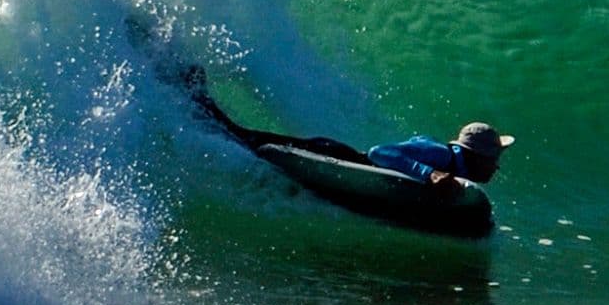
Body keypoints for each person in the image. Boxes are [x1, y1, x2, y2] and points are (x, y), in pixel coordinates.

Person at [184, 67, 513, 193]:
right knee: (236, 135)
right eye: (495, 157)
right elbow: (381, 153)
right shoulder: (440, 155)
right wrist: (429, 175)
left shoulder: (452, 165)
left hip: (338, 155)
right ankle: (193, 95)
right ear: (478, 155)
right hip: (332, 154)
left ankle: (199, 101)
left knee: (238, 135)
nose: (497, 166)